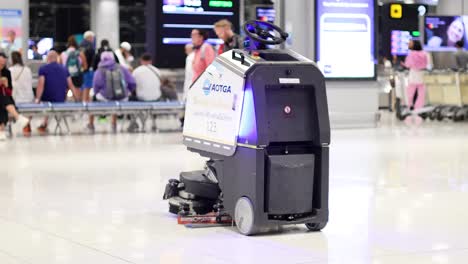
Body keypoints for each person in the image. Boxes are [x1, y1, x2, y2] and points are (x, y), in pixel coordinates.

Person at [88, 51, 136, 133]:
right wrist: (128, 91)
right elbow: (132, 82)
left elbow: (95, 87)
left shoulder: (99, 70)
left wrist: (98, 94)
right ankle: (114, 123)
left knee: (92, 97)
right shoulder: (121, 68)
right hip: (122, 98)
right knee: (117, 97)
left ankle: (91, 124)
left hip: (105, 98)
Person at [35, 51, 78, 134]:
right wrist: (77, 100)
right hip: (61, 99)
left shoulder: (43, 69)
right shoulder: (64, 69)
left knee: (45, 104)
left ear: (48, 58)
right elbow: (71, 85)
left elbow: (41, 85)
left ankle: (39, 125)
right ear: (57, 58)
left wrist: (37, 99)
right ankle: (44, 124)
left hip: (47, 98)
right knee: (52, 103)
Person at [0, 52, 29, 140]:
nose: (1, 66)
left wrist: (6, 85)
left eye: (3, 64)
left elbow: (9, 91)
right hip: (5, 100)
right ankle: (17, 117)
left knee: (2, 101)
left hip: (5, 97)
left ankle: (1, 131)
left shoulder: (7, 72)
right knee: (2, 100)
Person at [401, 40, 429, 124]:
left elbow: (408, 65)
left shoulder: (411, 54)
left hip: (413, 74)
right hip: (422, 75)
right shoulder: (425, 53)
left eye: (410, 44)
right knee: (421, 93)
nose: (409, 45)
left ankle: (408, 107)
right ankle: (419, 108)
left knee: (410, 93)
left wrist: (403, 64)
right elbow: (428, 64)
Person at [9, 51, 33, 135]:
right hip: (29, 98)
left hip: (17, 99)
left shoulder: (10, 70)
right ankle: (26, 125)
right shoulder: (27, 70)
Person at [61, 36, 87, 100]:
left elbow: (60, 66)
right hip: (77, 76)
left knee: (64, 95)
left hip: (66, 75)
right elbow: (85, 66)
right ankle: (79, 107)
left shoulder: (63, 54)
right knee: (78, 95)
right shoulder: (80, 54)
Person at [79, 31, 96, 103]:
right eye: (93, 38)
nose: (93, 39)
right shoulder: (89, 45)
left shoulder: (80, 44)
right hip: (88, 69)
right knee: (87, 88)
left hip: (81, 70)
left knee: (82, 88)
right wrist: (87, 67)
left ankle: (83, 101)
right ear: (89, 37)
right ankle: (85, 104)